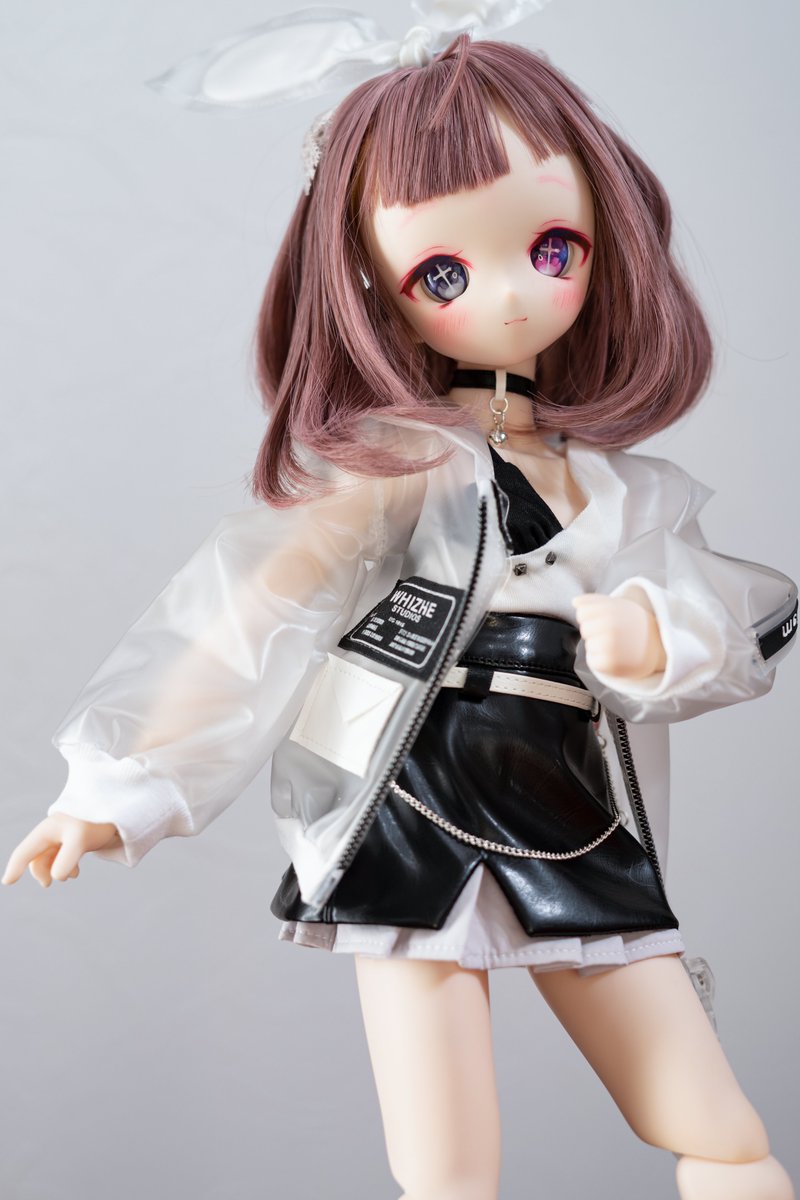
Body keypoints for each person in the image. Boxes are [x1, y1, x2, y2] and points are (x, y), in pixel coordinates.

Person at [3, 22, 796, 1200]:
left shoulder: (630, 493)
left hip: (568, 793)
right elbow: (250, 613)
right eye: (444, 273)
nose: (511, 294)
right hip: (411, 787)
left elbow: (730, 623)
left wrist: (650, 635)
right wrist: (120, 785)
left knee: (713, 1126)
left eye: (552, 247)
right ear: (371, 280)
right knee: (445, 1169)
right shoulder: (392, 465)